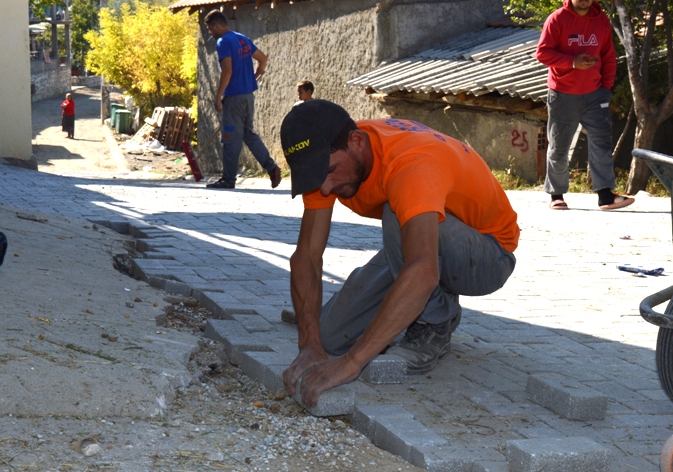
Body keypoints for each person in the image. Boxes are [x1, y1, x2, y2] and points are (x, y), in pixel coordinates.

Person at [279, 100, 519, 407]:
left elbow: (422, 269)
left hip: (488, 254)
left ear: (356, 142)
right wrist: (309, 342)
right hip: (422, 236)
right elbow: (307, 256)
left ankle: (433, 322)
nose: (325, 189)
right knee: (329, 336)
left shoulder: (410, 163)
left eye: (330, 172)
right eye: (316, 178)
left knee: (398, 210)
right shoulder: (329, 157)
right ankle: (367, 307)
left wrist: (352, 363)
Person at [536, 0, 633, 211]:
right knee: (559, 144)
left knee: (602, 142)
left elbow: (608, 56)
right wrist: (572, 62)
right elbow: (542, 53)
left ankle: (605, 195)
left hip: (595, 94)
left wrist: (605, 88)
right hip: (563, 94)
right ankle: (556, 195)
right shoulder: (557, 18)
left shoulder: (601, 20)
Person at [204, 10, 281, 190]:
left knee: (230, 137)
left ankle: (228, 180)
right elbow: (263, 59)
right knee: (248, 134)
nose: (210, 33)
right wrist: (255, 76)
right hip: (248, 96)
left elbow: (227, 70)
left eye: (209, 29)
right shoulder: (242, 38)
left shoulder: (223, 42)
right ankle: (272, 168)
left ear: (216, 26)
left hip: (234, 97)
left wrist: (218, 95)